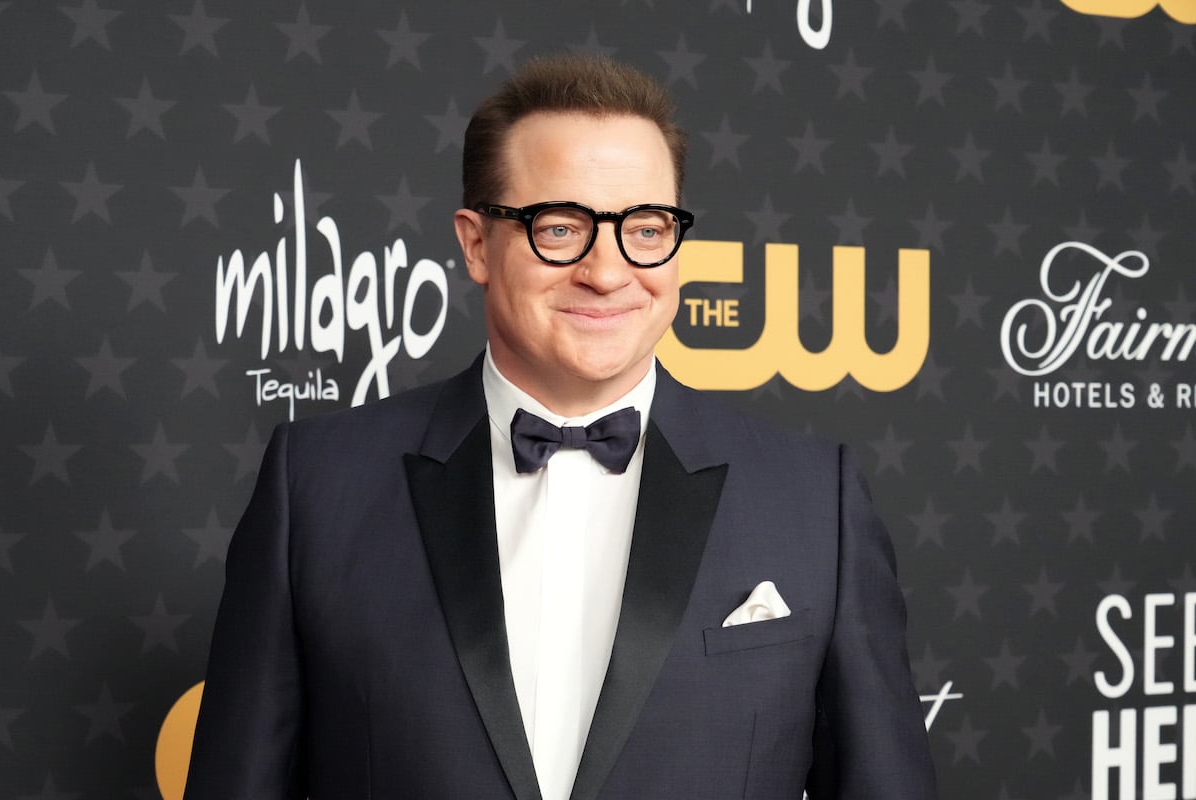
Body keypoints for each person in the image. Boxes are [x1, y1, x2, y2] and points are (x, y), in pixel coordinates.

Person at [186, 54, 937, 799]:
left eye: (645, 229)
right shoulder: (318, 488)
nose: (607, 272)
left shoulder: (815, 502)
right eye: (561, 227)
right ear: (477, 243)